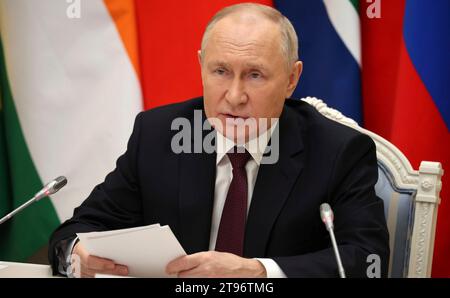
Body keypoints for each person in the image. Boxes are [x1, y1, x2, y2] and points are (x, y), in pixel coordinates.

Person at [49, 3, 389, 278]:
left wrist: (258, 271)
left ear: (291, 79)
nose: (235, 96)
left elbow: (367, 259)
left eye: (255, 75)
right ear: (201, 66)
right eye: (220, 71)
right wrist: (76, 253)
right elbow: (77, 230)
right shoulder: (159, 135)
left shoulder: (338, 151)